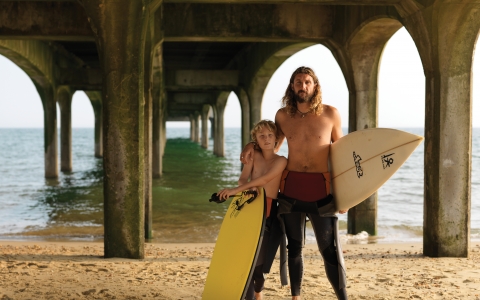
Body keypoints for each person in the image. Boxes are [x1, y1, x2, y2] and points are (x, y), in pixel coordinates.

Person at [240, 66, 348, 300]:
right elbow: (272, 147)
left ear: (315, 86)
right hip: (291, 191)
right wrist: (252, 145)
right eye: (298, 82)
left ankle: (343, 297)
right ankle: (295, 297)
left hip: (322, 191)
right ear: (292, 86)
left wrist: (347, 194)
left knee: (330, 250)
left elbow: (342, 155)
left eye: (307, 82)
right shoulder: (282, 116)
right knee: (293, 249)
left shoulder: (331, 114)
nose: (303, 86)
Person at [217, 120, 287, 300]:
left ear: (276, 138)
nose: (266, 139)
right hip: (250, 208)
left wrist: (235, 191)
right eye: (261, 136)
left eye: (270, 135)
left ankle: (258, 291)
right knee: (247, 258)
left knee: (260, 264)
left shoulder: (281, 161)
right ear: (255, 138)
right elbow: (243, 178)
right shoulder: (253, 155)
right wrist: (246, 188)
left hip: (269, 211)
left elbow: (264, 180)